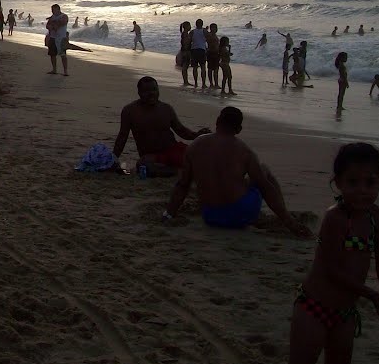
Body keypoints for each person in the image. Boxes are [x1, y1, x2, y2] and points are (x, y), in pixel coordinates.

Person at [284, 143, 379, 364]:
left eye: (370, 183)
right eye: (352, 182)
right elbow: (331, 270)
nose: (361, 190)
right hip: (313, 309)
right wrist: (372, 295)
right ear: (338, 182)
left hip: (345, 313)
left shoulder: (378, 219)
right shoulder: (336, 218)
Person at [162, 106, 312, 236]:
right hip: (240, 216)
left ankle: (169, 214)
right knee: (263, 171)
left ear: (217, 122)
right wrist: (289, 222)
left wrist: (169, 214)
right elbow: (265, 187)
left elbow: (183, 185)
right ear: (238, 129)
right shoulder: (244, 151)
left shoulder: (195, 146)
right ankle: (284, 218)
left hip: (210, 216)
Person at [112, 77, 211, 176]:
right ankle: (179, 171)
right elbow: (122, 137)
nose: (151, 93)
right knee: (143, 165)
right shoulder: (130, 111)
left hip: (173, 150)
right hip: (152, 156)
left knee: (201, 159)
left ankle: (182, 170)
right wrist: (113, 159)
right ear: (139, 92)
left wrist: (198, 135)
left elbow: (181, 131)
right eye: (146, 91)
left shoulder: (166, 109)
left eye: (154, 90)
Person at [45, 3, 69, 76]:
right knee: (52, 54)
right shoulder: (52, 16)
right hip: (52, 37)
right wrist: (52, 25)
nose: (52, 11)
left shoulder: (64, 16)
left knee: (63, 55)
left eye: (53, 10)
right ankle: (54, 69)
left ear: (58, 9)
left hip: (61, 38)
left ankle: (65, 71)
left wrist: (53, 23)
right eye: (51, 10)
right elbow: (47, 26)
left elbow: (62, 23)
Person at [190, 19, 208, 88]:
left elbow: (189, 40)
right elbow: (208, 38)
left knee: (195, 67)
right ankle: (203, 84)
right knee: (203, 67)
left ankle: (196, 83)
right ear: (202, 24)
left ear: (196, 24)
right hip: (201, 49)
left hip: (194, 49)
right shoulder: (204, 31)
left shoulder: (192, 31)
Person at [177, 21, 192, 86]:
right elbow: (186, 43)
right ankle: (186, 81)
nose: (190, 27)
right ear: (186, 27)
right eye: (189, 25)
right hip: (186, 51)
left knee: (185, 67)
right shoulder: (185, 34)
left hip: (184, 51)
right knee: (185, 66)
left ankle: (186, 81)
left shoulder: (184, 33)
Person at [206, 23, 220, 90]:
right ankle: (212, 84)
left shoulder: (213, 35)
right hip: (212, 53)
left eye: (216, 28)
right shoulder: (210, 35)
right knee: (212, 69)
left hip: (215, 53)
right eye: (215, 28)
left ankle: (215, 84)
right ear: (211, 28)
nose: (216, 29)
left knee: (215, 69)